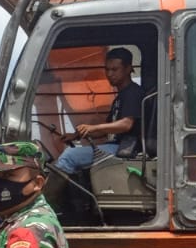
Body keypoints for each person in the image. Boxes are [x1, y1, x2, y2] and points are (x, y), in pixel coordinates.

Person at [53, 47, 144, 181]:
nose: (110, 74)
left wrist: (93, 128)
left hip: (126, 147)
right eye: (107, 70)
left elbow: (126, 124)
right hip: (117, 145)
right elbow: (105, 130)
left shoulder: (133, 93)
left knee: (69, 156)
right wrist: (76, 135)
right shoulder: (120, 97)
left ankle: (50, 200)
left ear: (128, 69)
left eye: (115, 69)